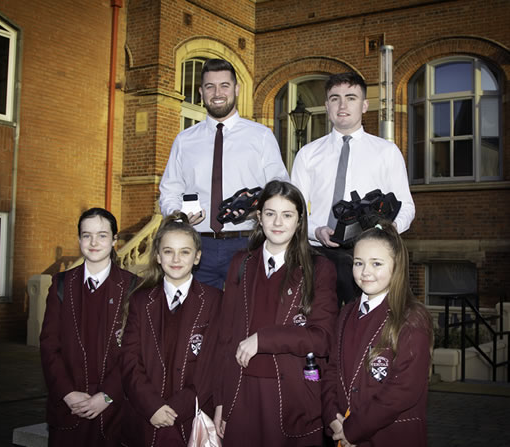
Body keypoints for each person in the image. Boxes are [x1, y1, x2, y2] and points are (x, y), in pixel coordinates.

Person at [213, 180, 338, 447]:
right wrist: (221, 400)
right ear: (259, 218)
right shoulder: (241, 263)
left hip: (293, 395)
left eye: (287, 214)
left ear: (300, 221)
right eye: (270, 214)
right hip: (241, 392)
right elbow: (225, 338)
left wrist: (264, 339)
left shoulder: (319, 268)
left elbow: (322, 338)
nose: (278, 222)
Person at [159, 58, 289, 290]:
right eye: (210, 86)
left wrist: (255, 211)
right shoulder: (184, 140)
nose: (217, 93)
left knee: (244, 319)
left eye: (224, 85)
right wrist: (177, 215)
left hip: (246, 242)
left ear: (236, 89)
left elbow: (279, 188)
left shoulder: (261, 136)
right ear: (201, 92)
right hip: (197, 245)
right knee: (198, 319)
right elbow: (170, 190)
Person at [291, 72, 415, 306]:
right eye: (335, 98)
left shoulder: (386, 152)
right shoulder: (308, 154)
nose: (343, 105)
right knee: (317, 325)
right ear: (327, 106)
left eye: (351, 97)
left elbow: (406, 207)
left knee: (365, 329)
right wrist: (316, 231)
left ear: (365, 105)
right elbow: (294, 211)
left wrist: (383, 232)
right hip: (317, 254)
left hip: (368, 258)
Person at [321, 221, 433, 447]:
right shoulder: (346, 312)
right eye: (359, 263)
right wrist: (332, 416)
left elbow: (403, 389)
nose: (365, 272)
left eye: (377, 264)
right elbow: (331, 370)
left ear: (396, 265)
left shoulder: (411, 318)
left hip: (390, 436)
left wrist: (353, 429)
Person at [120, 212, 222, 447]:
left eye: (184, 252)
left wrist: (178, 407)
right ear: (157, 256)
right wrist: (151, 405)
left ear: (197, 257)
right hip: (148, 415)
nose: (176, 259)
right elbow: (129, 360)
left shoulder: (215, 300)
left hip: (192, 415)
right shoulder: (140, 301)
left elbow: (214, 362)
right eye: (168, 251)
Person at [40, 208, 137, 447]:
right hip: (68, 407)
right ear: (79, 239)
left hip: (114, 409)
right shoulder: (61, 285)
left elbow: (134, 353)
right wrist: (67, 393)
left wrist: (106, 395)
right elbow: (49, 346)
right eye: (87, 235)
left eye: (102, 235)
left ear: (114, 240)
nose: (94, 242)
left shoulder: (133, 287)